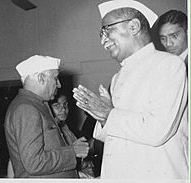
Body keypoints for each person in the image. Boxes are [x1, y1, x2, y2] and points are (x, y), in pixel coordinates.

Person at [73, 0, 188, 179]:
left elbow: (157, 131)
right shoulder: (117, 77)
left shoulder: (169, 65)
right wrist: (101, 118)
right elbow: (112, 136)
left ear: (133, 26)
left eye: (107, 30)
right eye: (101, 33)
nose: (103, 41)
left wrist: (108, 114)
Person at [4, 55, 89, 178]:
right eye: (55, 78)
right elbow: (34, 163)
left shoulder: (36, 105)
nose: (58, 84)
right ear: (41, 78)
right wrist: (73, 152)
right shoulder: (27, 108)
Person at [48, 89, 95, 178]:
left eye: (65, 104)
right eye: (57, 106)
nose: (63, 109)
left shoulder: (65, 127)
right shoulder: (51, 132)